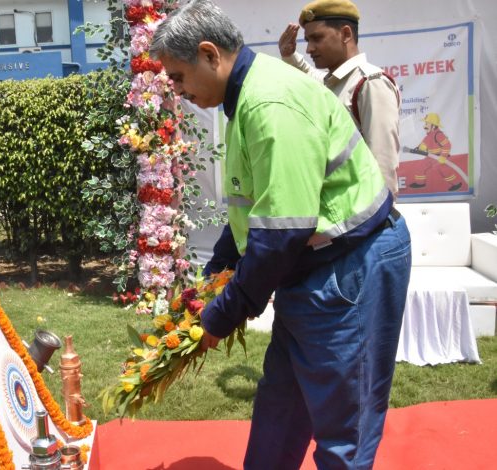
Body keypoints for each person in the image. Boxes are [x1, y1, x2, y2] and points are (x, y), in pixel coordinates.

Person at [149, 1, 412, 468]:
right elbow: (253, 209)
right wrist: (213, 278)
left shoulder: (269, 103)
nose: (178, 90)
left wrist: (218, 317)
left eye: (178, 77)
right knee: (281, 408)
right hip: (312, 266)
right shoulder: (248, 95)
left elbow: (281, 234)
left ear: (209, 54)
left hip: (349, 267)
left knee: (344, 430)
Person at [278, 0, 401, 195]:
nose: (309, 49)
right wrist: (289, 55)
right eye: (307, 41)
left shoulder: (370, 83)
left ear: (345, 34)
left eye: (317, 38)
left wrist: (381, 212)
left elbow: (383, 162)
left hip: (362, 212)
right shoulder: (333, 82)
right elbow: (310, 75)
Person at [407, 113, 462, 191]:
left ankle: (456, 184)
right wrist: (419, 149)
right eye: (425, 123)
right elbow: (423, 145)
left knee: (444, 171)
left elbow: (447, 145)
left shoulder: (439, 135)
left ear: (433, 126)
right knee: (421, 167)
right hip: (431, 157)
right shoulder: (428, 136)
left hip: (439, 157)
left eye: (427, 123)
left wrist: (443, 157)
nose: (424, 126)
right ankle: (420, 183)